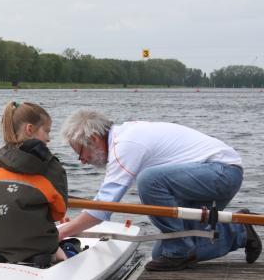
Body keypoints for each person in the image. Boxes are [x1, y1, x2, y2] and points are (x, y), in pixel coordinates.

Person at [59, 109, 262, 271]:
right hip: (205, 181)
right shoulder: (123, 137)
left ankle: (179, 251)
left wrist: (60, 234)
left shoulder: (125, 144)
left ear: (94, 138)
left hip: (222, 173)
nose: (82, 161)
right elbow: (101, 202)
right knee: (162, 252)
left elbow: (101, 208)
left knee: (148, 180)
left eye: (81, 153)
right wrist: (73, 227)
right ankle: (239, 231)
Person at [0, 101, 69, 267]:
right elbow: (58, 212)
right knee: (64, 249)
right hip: (39, 250)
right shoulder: (52, 167)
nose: (48, 138)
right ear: (30, 129)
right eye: (47, 131)